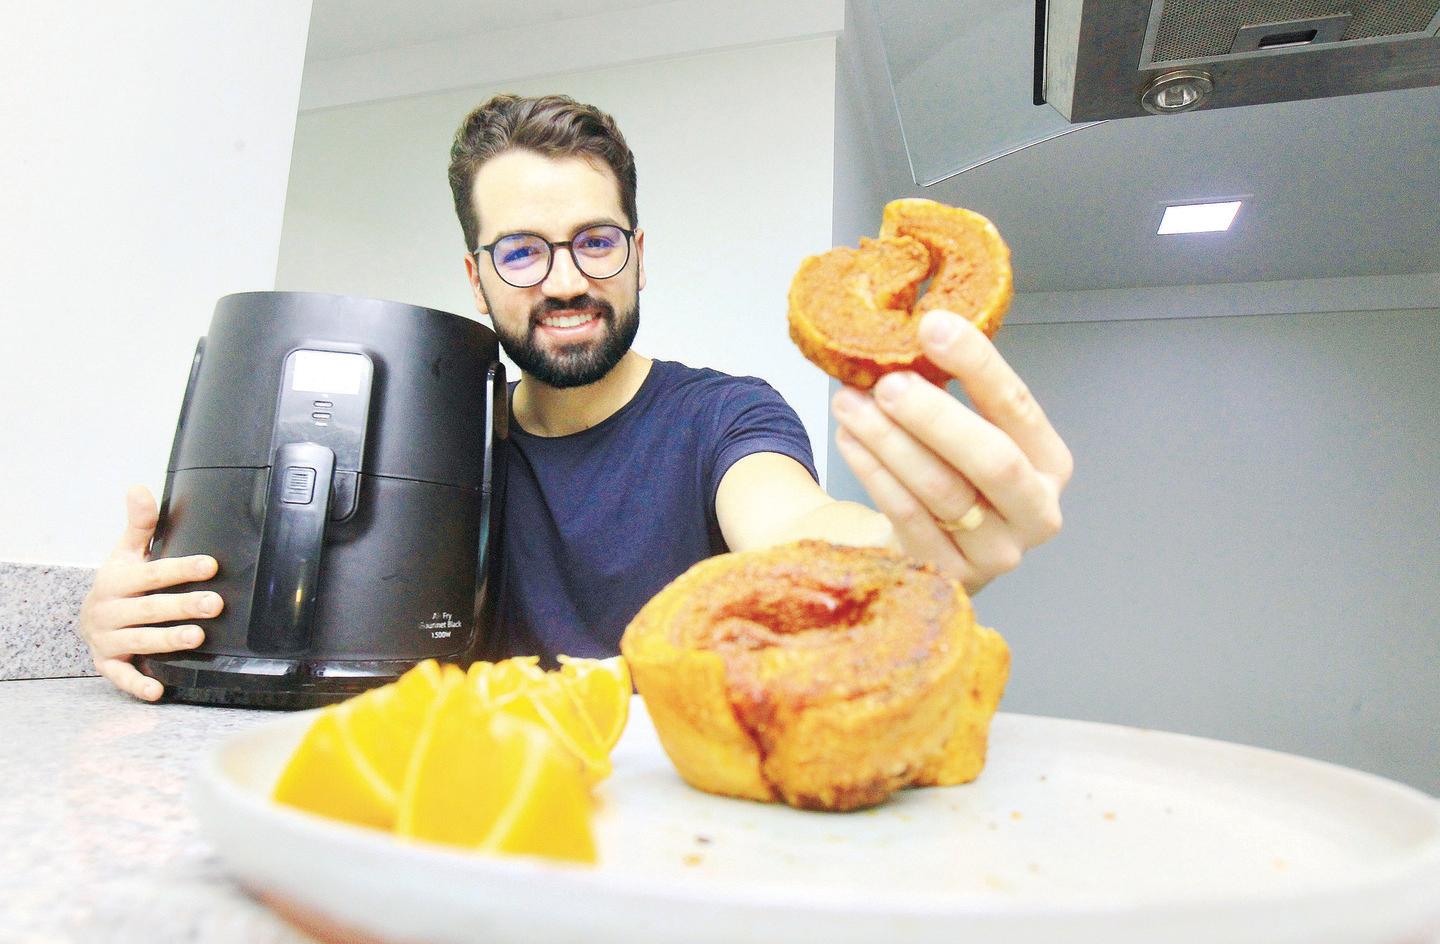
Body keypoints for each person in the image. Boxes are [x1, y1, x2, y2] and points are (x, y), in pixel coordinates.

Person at [78, 94, 1073, 701]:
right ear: (477, 279)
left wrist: (911, 555)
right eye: (521, 249)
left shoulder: (721, 417)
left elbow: (795, 524)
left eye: (595, 241)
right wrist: (143, 620)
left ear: (637, 257)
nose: (563, 280)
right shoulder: (429, 448)